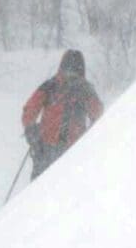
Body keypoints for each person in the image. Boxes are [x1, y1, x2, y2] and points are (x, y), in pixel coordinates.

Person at [21, 49, 104, 179]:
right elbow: (98, 114)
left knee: (42, 185)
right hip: (70, 148)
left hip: (52, 148)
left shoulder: (51, 85)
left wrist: (30, 128)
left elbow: (30, 109)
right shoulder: (82, 88)